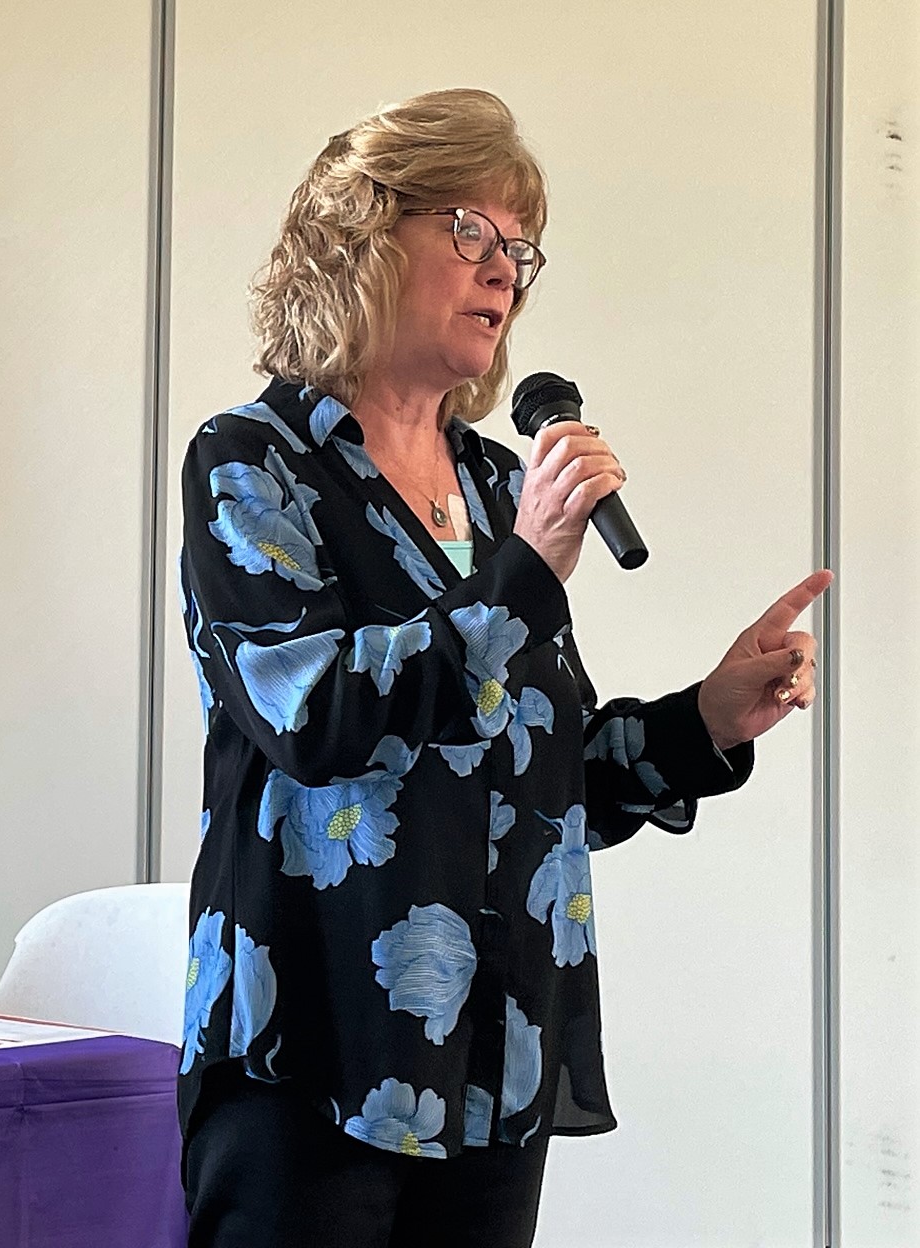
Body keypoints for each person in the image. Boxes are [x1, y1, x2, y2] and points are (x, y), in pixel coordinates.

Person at [176, 87, 829, 1248]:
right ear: (360, 237)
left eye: (519, 248)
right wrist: (521, 574)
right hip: (311, 1039)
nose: (502, 270)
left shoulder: (492, 486)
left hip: (490, 1043)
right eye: (468, 230)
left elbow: (539, 773)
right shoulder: (251, 462)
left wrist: (704, 722)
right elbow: (315, 719)